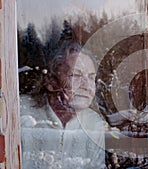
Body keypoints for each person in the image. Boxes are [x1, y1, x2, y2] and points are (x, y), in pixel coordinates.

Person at [20, 41, 106, 169]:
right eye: (75, 75)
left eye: (91, 77)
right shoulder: (21, 112)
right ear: (51, 82)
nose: (86, 86)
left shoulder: (93, 123)